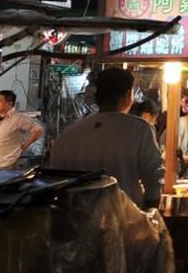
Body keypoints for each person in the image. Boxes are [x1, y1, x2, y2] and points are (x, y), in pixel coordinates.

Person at [49, 68, 164, 210]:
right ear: (128, 95)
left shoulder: (68, 136)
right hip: (127, 221)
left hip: (80, 223)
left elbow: (56, 186)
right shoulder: (139, 130)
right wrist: (150, 217)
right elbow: (154, 179)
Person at [0, 90, 43, 170]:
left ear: (9, 104)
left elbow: (38, 129)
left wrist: (25, 146)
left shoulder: (18, 118)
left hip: (9, 163)